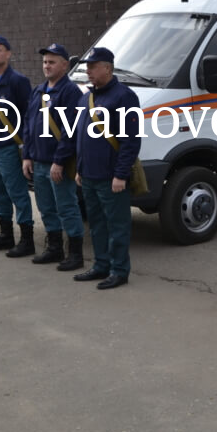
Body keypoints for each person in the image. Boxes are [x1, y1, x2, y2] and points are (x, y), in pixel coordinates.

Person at [73, 47, 140, 289]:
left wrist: (121, 174)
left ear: (107, 68)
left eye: (93, 66)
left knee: (117, 225)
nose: (88, 71)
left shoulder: (124, 97)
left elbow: (131, 140)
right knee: (97, 224)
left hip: (111, 177)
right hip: (89, 176)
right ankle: (101, 265)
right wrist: (79, 169)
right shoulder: (85, 98)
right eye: (87, 67)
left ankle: (119, 270)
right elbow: (81, 137)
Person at [21, 43, 85, 270]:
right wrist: (27, 156)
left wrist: (59, 161)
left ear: (65, 65)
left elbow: (70, 131)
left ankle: (75, 254)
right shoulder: (38, 91)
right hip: (38, 161)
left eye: (52, 62)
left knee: (66, 206)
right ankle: (54, 247)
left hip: (58, 163)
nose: (47, 66)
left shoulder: (70, 92)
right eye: (45, 62)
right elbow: (29, 126)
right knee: (46, 206)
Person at [0, 34, 35, 256]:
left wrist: (25, 148)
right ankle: (6, 235)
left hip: (11, 146)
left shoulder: (18, 81)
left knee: (17, 193)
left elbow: (29, 116)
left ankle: (27, 239)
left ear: (9, 54)